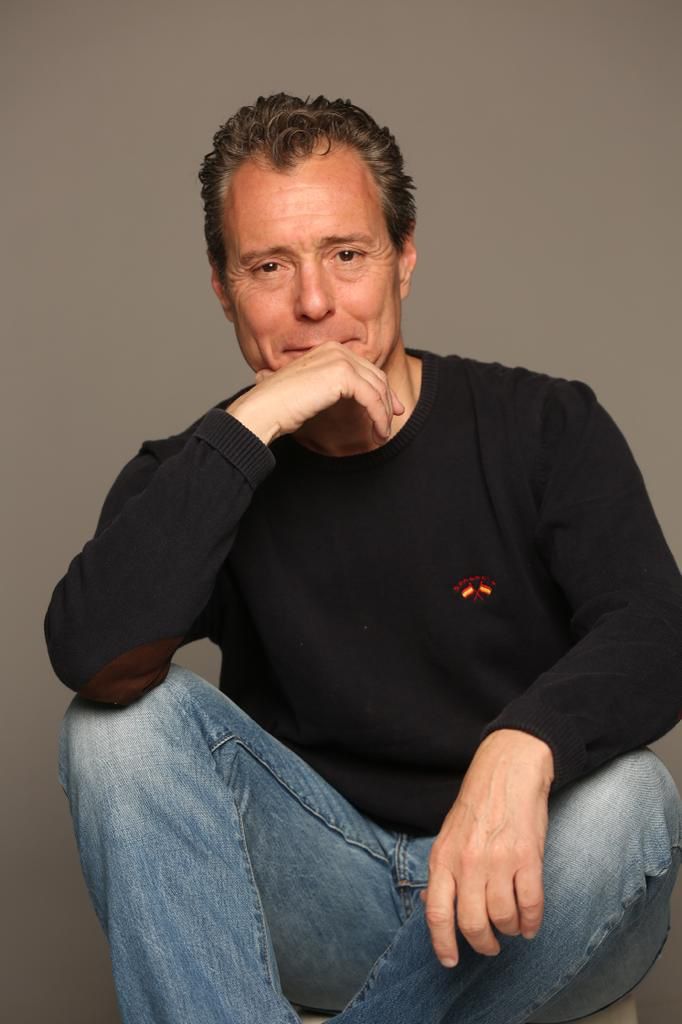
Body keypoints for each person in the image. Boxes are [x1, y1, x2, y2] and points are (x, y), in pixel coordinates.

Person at [47, 94, 682, 1024]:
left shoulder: (545, 426)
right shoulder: (200, 471)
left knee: (635, 800)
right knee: (113, 732)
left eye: (346, 255)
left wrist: (525, 743)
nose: (314, 303)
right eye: (270, 267)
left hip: (523, 891)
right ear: (223, 288)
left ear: (404, 258)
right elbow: (94, 656)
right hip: (318, 893)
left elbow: (658, 629)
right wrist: (256, 420)